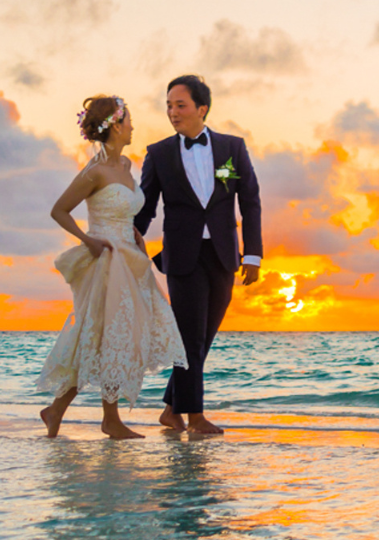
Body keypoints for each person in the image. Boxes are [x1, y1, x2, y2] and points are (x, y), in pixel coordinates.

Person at [36, 95, 188, 440]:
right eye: (129, 120)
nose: (133, 125)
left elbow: (126, 208)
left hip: (130, 259)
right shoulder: (95, 171)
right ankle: (109, 419)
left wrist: (134, 231)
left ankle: (58, 409)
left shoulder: (127, 166)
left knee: (116, 337)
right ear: (116, 125)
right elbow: (59, 210)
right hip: (104, 260)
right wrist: (87, 239)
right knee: (105, 335)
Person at [134, 75, 262, 434]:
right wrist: (127, 239)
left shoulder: (232, 148)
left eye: (180, 105)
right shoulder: (158, 153)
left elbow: (249, 201)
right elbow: (146, 207)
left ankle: (171, 410)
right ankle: (195, 417)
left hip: (223, 255)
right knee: (189, 336)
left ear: (201, 108)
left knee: (203, 337)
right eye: (169, 106)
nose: (173, 113)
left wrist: (253, 255)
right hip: (182, 256)